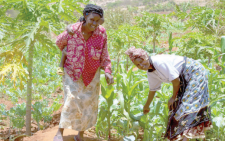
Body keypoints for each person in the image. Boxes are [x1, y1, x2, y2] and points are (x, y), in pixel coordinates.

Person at [125, 46, 212, 141]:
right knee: (176, 109)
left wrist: (173, 97)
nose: (141, 65)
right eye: (138, 65)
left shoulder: (158, 62)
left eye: (142, 61)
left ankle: (185, 139)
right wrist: (147, 106)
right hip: (184, 79)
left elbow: (175, 81)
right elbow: (153, 90)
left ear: (146, 57)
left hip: (195, 72)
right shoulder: (150, 71)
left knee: (187, 107)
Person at [54, 4, 114, 141]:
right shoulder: (73, 30)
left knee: (88, 104)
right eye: (92, 19)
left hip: (92, 74)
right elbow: (59, 42)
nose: (95, 23)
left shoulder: (102, 33)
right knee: (71, 99)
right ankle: (59, 132)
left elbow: (104, 55)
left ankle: (79, 134)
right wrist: (66, 52)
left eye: (98, 20)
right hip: (72, 71)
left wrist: (108, 72)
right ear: (85, 16)